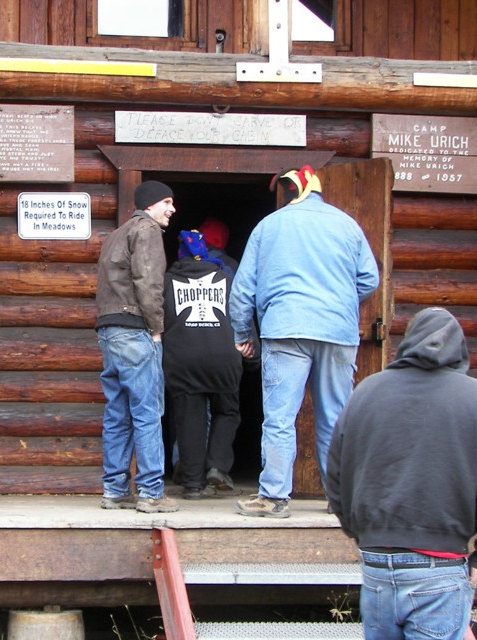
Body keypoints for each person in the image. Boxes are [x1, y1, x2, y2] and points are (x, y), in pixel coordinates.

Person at [326, 307, 477, 639]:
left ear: (408, 343)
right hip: (440, 569)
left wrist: (360, 532)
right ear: (460, 349)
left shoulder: (366, 393)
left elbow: (335, 473)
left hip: (376, 567)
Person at [229, 165, 379, 518]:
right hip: (337, 332)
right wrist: (339, 301)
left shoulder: (269, 226)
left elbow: (242, 290)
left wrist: (243, 335)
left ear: (291, 191)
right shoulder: (347, 225)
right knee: (336, 417)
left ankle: (275, 497)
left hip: (286, 329)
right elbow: (369, 278)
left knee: (280, 417)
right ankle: (340, 501)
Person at [96, 180, 178, 514]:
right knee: (147, 413)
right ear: (152, 204)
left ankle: (115, 490)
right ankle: (151, 492)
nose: (172, 209)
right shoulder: (147, 230)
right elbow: (149, 283)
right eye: (168, 203)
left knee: (117, 413)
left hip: (109, 331)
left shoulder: (116, 234)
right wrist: (157, 330)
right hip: (135, 331)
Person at [163, 230, 243, 499]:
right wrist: (251, 352)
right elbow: (241, 313)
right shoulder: (226, 278)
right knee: (227, 412)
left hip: (183, 359)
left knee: (189, 420)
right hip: (223, 358)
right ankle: (217, 468)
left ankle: (193, 485)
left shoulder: (168, 280)